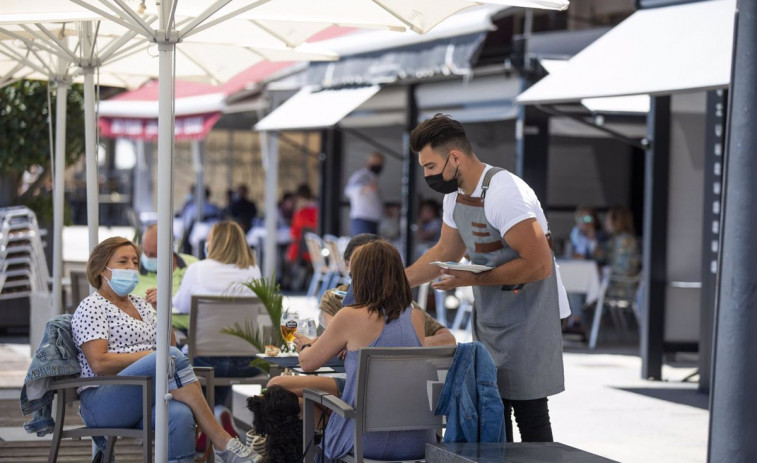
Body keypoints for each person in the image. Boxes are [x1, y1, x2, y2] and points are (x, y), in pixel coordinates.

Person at [405, 114, 564, 443]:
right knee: (493, 405)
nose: (426, 175)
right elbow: (447, 252)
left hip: (530, 312)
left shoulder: (506, 193)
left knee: (530, 410)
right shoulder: (455, 193)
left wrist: (470, 280)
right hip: (493, 313)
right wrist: (395, 282)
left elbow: (539, 265)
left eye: (430, 166)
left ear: (455, 157)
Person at [70, 237, 255, 463]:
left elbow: (171, 352)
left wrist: (163, 312)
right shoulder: (92, 306)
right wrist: (153, 357)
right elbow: (99, 362)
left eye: (135, 262)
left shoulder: (140, 304)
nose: (131, 268)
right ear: (101, 269)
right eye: (123, 262)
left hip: (144, 396)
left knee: (180, 415)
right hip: (103, 402)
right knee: (168, 359)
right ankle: (222, 441)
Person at [297, 240, 433, 461]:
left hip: (365, 442)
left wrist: (305, 346)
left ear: (359, 276)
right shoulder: (415, 316)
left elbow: (307, 363)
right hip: (417, 440)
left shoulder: (350, 316)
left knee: (305, 402)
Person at [171, 221, 263, 410]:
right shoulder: (254, 270)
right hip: (248, 362)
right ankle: (220, 412)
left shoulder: (197, 270)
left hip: (206, 362)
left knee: (178, 356)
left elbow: (180, 305)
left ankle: (211, 415)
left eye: (209, 239)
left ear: (215, 243)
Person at [319, 233, 456, 347]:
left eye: (376, 262)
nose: (368, 268)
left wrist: (412, 343)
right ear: (347, 264)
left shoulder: (400, 303)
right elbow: (337, 345)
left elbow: (448, 339)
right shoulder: (336, 298)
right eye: (361, 261)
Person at [133, 224, 197, 301]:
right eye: (145, 251)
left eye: (153, 254)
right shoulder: (133, 270)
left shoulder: (193, 265)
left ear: (170, 250)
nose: (147, 258)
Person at [594, 206, 641, 300]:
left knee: (580, 284)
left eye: (607, 219)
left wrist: (601, 271)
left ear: (616, 221)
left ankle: (577, 314)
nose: (605, 223)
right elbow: (599, 255)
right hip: (616, 282)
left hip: (621, 286)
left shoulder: (625, 240)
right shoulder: (616, 239)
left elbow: (623, 269)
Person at [344, 152, 385, 235]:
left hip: (373, 220)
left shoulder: (373, 177)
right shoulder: (361, 175)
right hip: (362, 219)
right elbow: (349, 190)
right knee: (364, 246)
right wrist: (365, 188)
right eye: (375, 162)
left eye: (380, 163)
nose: (378, 165)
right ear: (368, 162)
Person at [286, 184, 318, 264]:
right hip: (316, 251)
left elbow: (293, 235)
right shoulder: (318, 212)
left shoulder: (300, 214)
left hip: (300, 253)